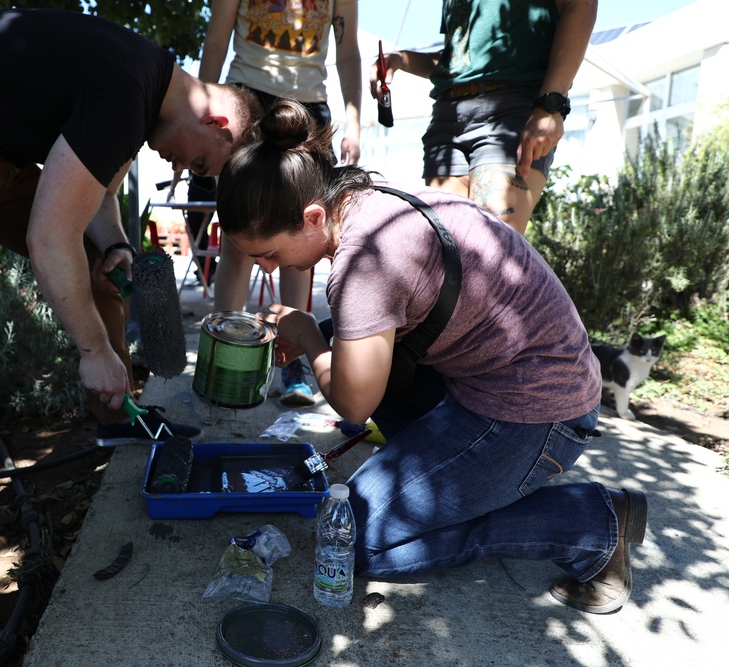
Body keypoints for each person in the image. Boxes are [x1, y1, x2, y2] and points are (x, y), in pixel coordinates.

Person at [0, 8, 262, 621]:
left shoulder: (144, 91)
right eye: (201, 165)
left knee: (100, 258)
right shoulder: (126, 89)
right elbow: (47, 236)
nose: (179, 170)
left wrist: (111, 245)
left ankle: (115, 416)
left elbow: (95, 194)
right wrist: (92, 348)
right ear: (219, 121)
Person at [215, 98, 648, 614]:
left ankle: (589, 525)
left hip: (537, 411)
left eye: (268, 254)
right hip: (519, 378)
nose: (267, 269)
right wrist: (324, 334)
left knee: (354, 536)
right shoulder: (371, 204)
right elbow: (389, 328)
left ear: (311, 217)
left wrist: (310, 338)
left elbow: (354, 404)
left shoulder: (363, 264)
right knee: (353, 353)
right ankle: (458, 484)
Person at [199, 0, 363, 406]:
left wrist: (356, 119)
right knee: (241, 240)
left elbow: (347, 50)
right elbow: (217, 38)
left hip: (309, 106)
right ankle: (224, 359)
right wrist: (201, 115)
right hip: (247, 97)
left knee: (300, 244)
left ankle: (292, 367)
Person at [370, 0, 597, 234]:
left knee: (491, 246)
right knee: (451, 250)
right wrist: (399, 60)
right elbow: (459, 62)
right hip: (446, 118)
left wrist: (551, 104)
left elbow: (583, 6)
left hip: (510, 111)